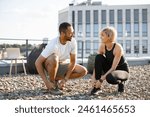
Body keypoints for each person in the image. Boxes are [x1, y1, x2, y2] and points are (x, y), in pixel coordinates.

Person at [35, 22, 87, 95]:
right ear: (62, 33)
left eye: (73, 33)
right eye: (70, 33)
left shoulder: (73, 42)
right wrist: (46, 82)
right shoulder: (53, 44)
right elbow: (38, 62)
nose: (73, 35)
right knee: (54, 58)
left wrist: (65, 80)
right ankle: (51, 84)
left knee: (83, 71)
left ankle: (57, 79)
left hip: (62, 64)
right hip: (50, 65)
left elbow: (73, 62)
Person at [90, 27, 129, 95]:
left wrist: (101, 80)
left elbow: (113, 68)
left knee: (110, 78)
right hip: (111, 68)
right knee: (98, 57)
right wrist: (94, 78)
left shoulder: (117, 48)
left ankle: (121, 83)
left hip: (122, 71)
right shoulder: (102, 46)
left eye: (102, 35)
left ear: (109, 36)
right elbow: (97, 63)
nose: (100, 37)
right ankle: (96, 88)